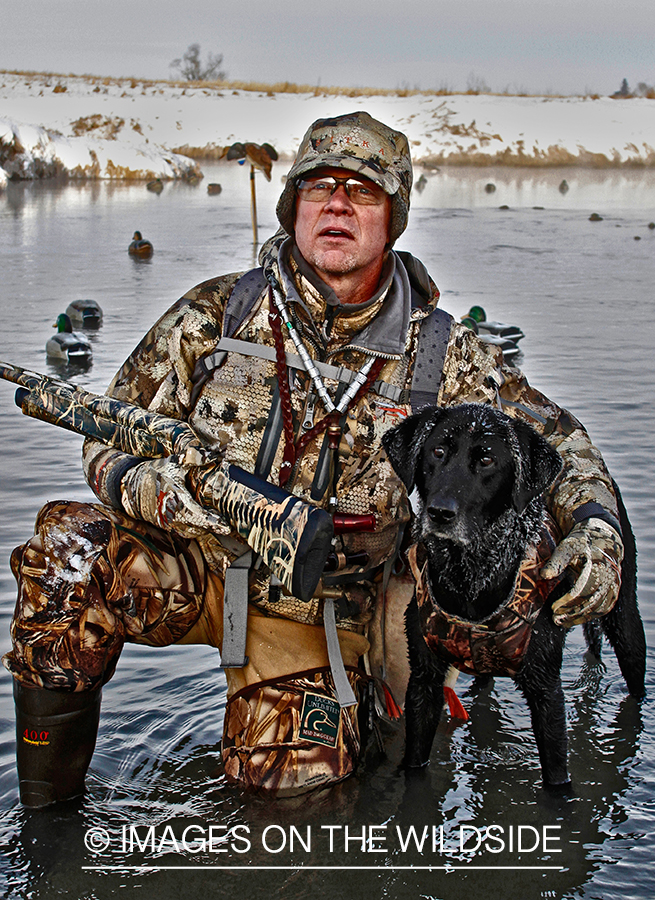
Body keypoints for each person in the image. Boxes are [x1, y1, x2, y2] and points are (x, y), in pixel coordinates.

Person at [4, 111, 624, 806]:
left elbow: (563, 445)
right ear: (291, 206)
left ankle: (365, 724)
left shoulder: (443, 354)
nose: (336, 203)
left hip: (319, 608)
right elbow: (106, 440)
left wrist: (596, 534)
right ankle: (48, 831)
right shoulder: (217, 315)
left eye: (362, 192)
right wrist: (157, 491)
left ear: (393, 218)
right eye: (317, 186)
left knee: (291, 805)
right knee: (66, 553)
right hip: (196, 565)